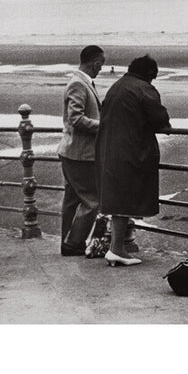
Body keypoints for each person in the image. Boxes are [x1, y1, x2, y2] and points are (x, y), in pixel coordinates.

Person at [96, 55, 172, 266]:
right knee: (125, 198)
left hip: (109, 149)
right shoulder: (143, 88)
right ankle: (116, 249)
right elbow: (160, 119)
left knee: (118, 198)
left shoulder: (117, 86)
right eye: (153, 78)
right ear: (149, 74)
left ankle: (116, 248)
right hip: (130, 150)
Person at [57, 45, 105, 256]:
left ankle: (66, 240)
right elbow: (76, 118)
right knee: (93, 200)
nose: (101, 69)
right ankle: (74, 243)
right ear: (95, 63)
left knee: (72, 200)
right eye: (101, 65)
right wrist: (103, 126)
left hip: (70, 152)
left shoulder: (79, 82)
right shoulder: (79, 84)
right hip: (81, 154)